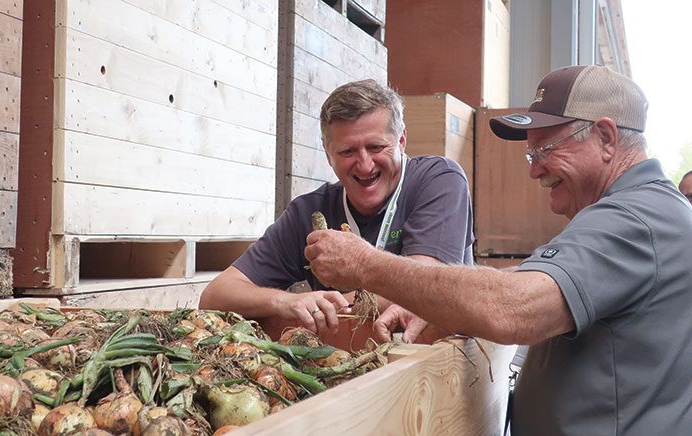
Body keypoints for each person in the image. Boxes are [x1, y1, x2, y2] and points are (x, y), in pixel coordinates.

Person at [305, 65, 692, 435]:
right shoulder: (637, 213)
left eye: (545, 151)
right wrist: (434, 301)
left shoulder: (635, 220)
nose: (534, 170)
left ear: (606, 138)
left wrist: (365, 263)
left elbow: (514, 308)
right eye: (531, 155)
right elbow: (528, 285)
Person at [199, 79, 474, 341]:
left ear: (401, 140)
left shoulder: (439, 180)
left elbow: (427, 285)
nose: (365, 165)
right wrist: (287, 302)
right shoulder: (308, 211)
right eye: (347, 152)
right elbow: (215, 296)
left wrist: (328, 304)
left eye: (376, 147)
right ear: (328, 153)